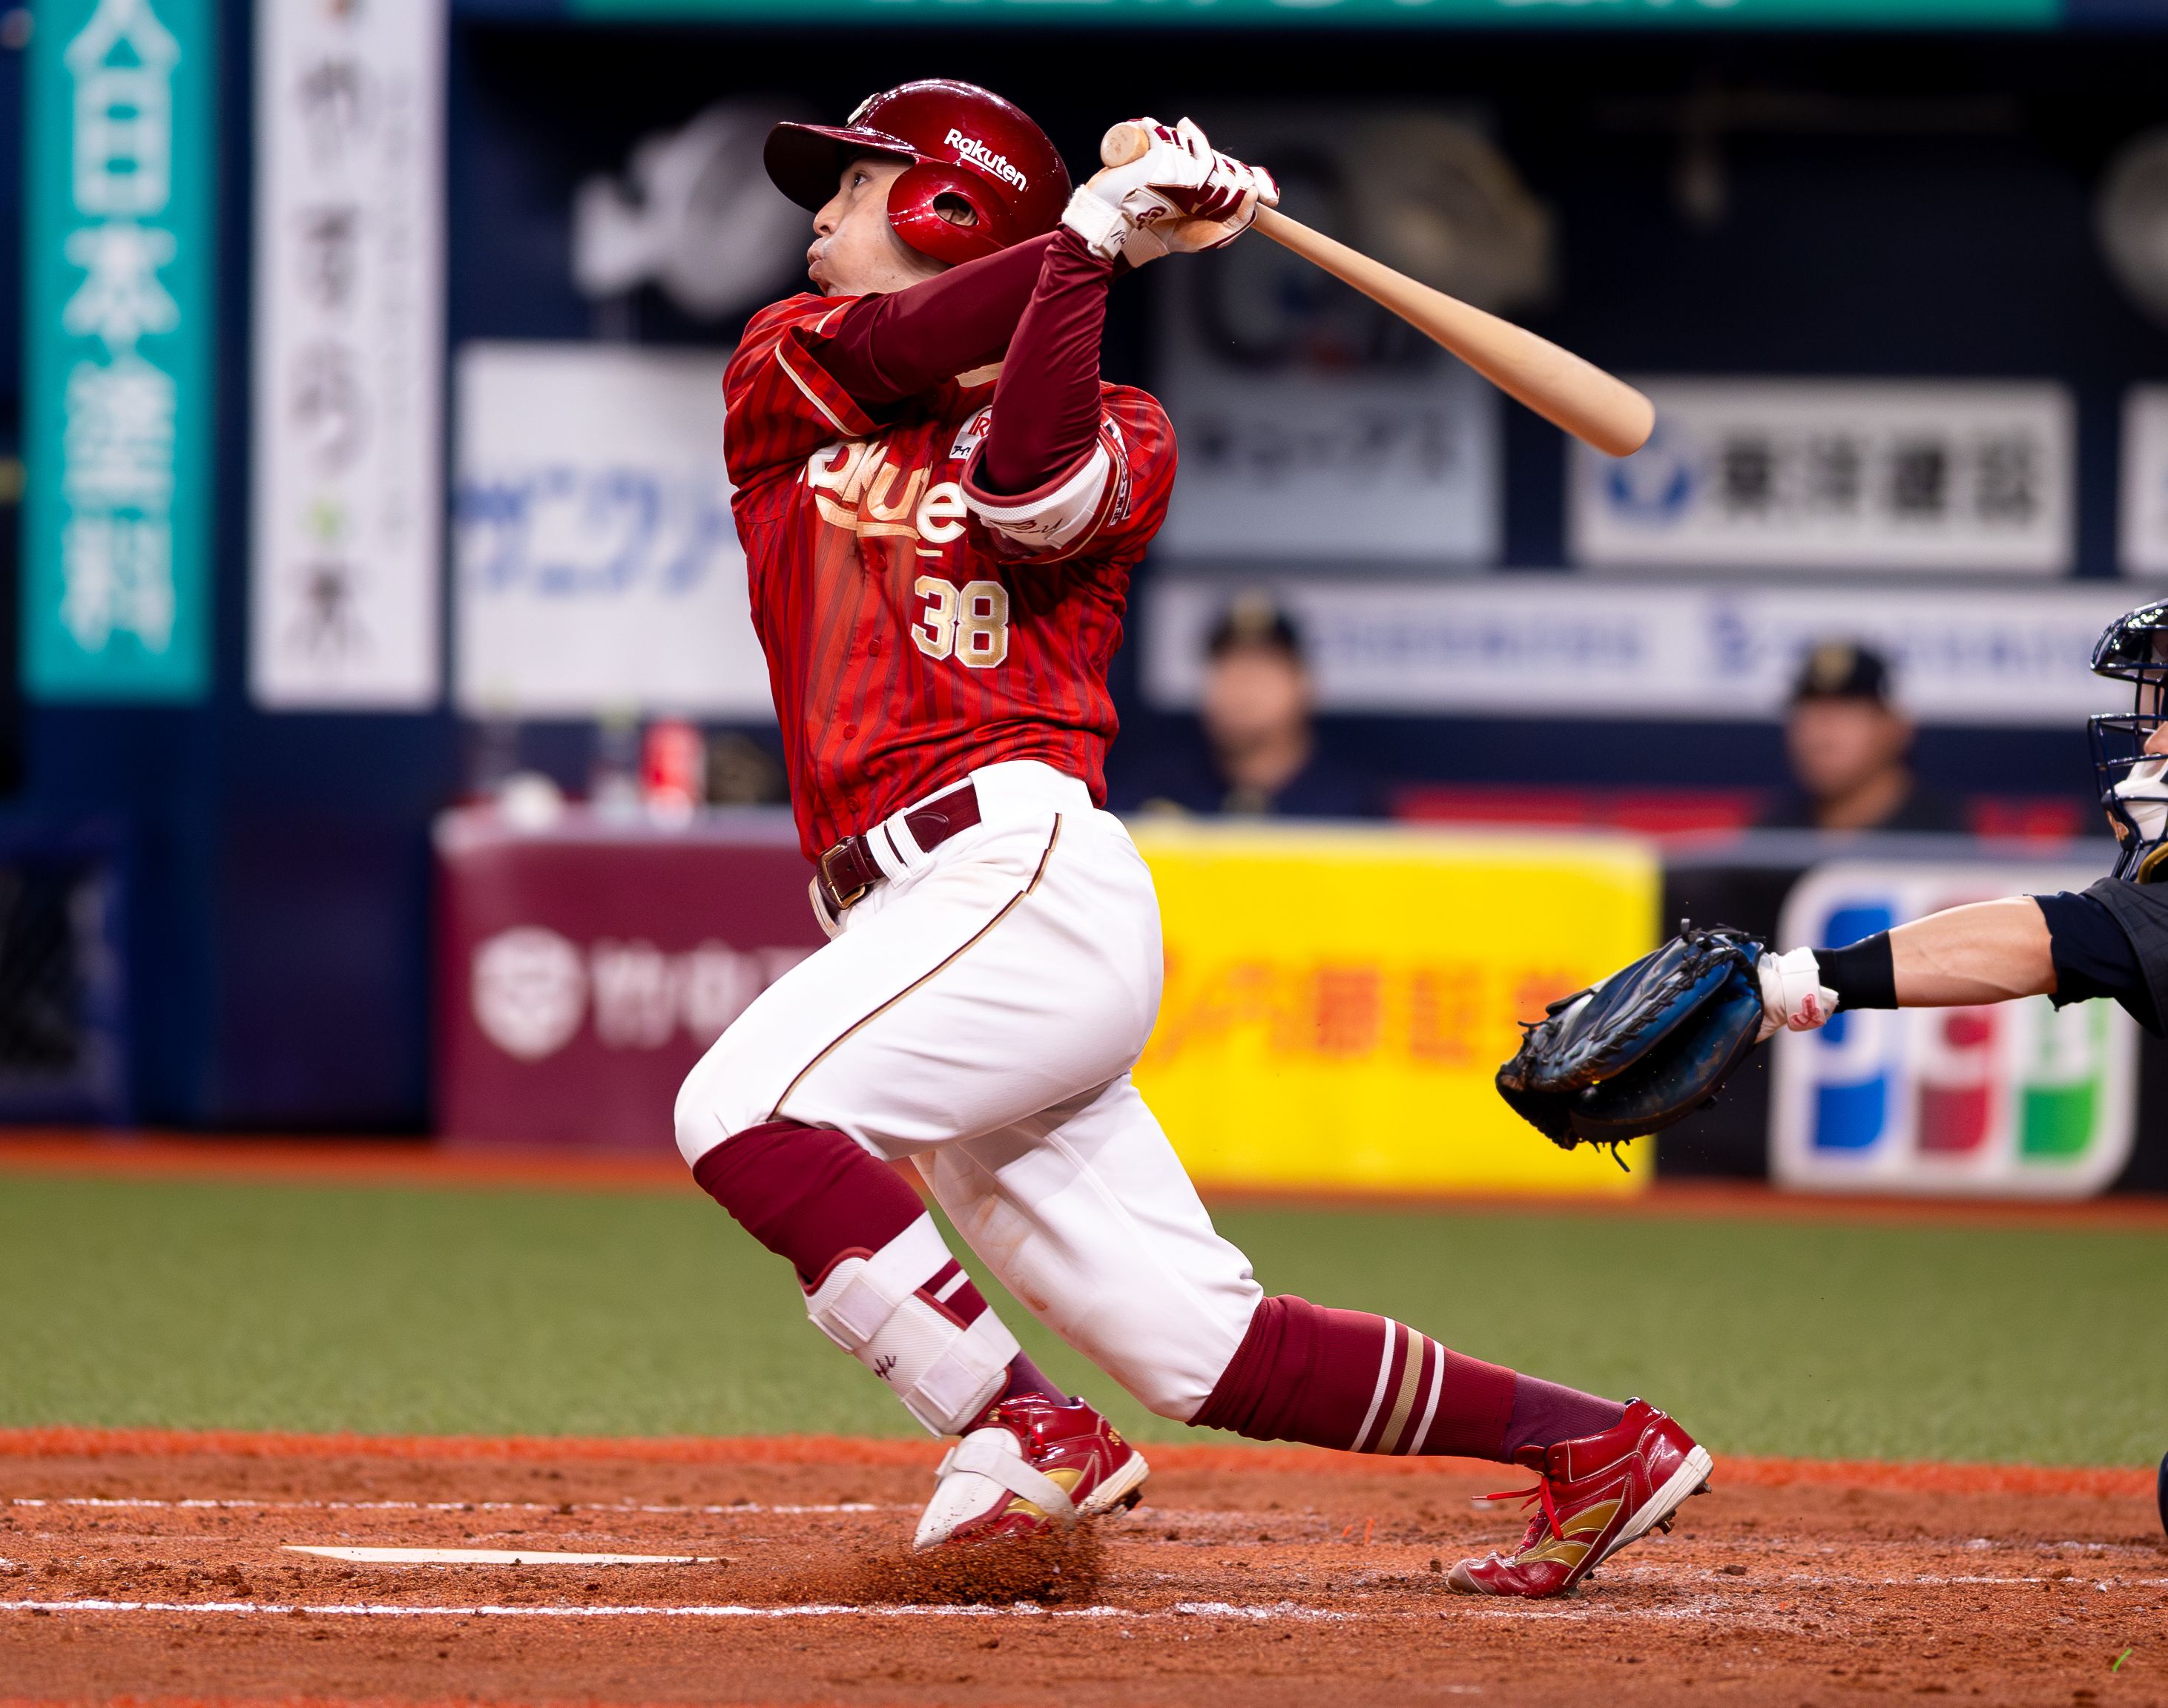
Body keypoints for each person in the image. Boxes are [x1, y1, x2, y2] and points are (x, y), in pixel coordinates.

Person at [676, 78, 1708, 1598]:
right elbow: (909, 345)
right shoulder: (786, 367)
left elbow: (1026, 491)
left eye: (856, 182)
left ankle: (1021, 1423)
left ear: (943, 206)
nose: (819, 215)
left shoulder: (1123, 425)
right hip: (913, 925)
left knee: (739, 1110)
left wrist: (1096, 252)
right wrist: (1098, 240)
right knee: (1195, 1344)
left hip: (1013, 875)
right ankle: (1598, 1447)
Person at [1756, 597, 2168, 1046]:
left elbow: (2055, 937)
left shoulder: (1939, 824)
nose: (2154, 743)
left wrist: (1794, 980)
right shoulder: (1772, 824)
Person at [1179, 593, 1381, 817]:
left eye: (1259, 672)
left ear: (1303, 684)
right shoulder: (1160, 792)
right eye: (1228, 671)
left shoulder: (1353, 804)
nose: (1242, 690)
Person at [1761, 639, 1962, 834]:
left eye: (1846, 713)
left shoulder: (1945, 846)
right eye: (1810, 713)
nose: (1823, 736)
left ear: (1896, 728)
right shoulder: (1767, 842)